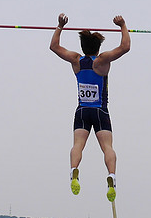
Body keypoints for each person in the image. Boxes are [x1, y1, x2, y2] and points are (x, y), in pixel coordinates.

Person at [50, 14, 131, 201]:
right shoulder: (101, 61)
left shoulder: (76, 60)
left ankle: (74, 170)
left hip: (82, 112)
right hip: (100, 111)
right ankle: (111, 174)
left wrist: (60, 26)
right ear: (98, 47)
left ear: (82, 47)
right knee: (107, 147)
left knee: (78, 145)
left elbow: (54, 47)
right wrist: (123, 25)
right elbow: (125, 47)